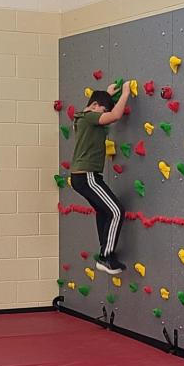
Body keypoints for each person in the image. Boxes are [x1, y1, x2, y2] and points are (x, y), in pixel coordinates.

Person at [69, 82, 130, 274]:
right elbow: (115, 116)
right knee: (117, 211)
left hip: (82, 176)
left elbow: (103, 110)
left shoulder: (81, 118)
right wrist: (126, 92)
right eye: (101, 111)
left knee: (103, 212)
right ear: (94, 106)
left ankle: (105, 252)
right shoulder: (88, 117)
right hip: (87, 175)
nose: (101, 116)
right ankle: (105, 256)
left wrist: (107, 95)